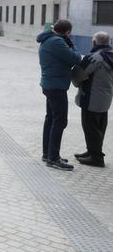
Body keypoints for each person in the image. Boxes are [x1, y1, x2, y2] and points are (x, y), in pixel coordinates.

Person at [36, 19, 81, 170]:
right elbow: (75, 58)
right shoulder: (57, 42)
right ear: (67, 32)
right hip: (56, 86)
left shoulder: (48, 39)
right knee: (60, 121)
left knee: (51, 119)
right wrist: (71, 43)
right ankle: (53, 158)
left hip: (50, 84)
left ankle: (47, 154)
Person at [71, 31, 113, 167]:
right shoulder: (110, 56)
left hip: (91, 99)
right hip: (106, 99)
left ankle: (96, 158)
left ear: (94, 42)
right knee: (99, 127)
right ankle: (92, 152)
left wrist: (79, 83)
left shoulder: (93, 58)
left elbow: (77, 76)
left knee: (90, 127)